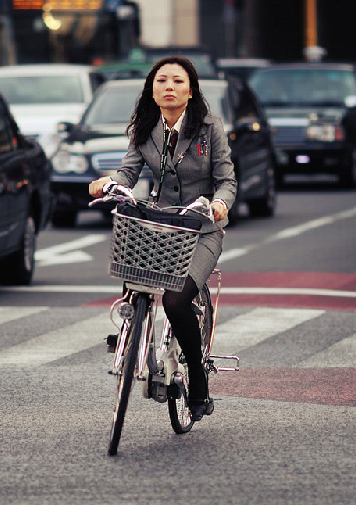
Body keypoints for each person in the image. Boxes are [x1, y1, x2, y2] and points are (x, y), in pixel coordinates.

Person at [89, 56, 237, 421]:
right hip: (161, 225)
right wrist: (107, 184)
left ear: (190, 91)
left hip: (201, 227)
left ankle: (199, 380)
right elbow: (128, 173)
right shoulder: (144, 127)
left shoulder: (208, 127)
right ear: (152, 90)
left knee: (174, 301)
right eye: (161, 81)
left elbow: (227, 179)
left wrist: (219, 203)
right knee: (135, 274)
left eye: (178, 81)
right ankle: (131, 328)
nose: (168, 87)